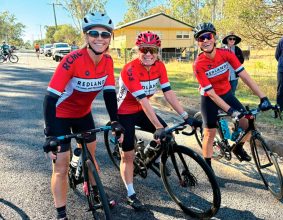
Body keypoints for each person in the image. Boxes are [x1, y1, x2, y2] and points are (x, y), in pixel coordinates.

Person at [42, 12, 124, 220]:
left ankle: (95, 194)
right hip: (60, 116)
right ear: (86, 36)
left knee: (91, 156)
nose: (99, 38)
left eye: (105, 35)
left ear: (110, 38)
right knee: (60, 166)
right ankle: (61, 214)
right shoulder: (72, 60)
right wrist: (50, 134)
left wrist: (115, 120)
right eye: (94, 33)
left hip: (83, 114)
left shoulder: (107, 61)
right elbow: (50, 98)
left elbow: (108, 93)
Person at [117, 31, 201, 210]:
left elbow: (168, 93)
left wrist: (186, 116)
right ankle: (131, 193)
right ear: (137, 50)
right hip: (124, 112)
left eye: (152, 50)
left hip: (142, 110)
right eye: (144, 49)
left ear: (158, 51)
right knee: (128, 155)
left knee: (167, 134)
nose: (148, 54)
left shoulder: (160, 66)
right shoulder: (129, 69)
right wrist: (157, 126)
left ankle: (150, 155)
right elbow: (143, 100)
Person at [193, 22, 272, 168]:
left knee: (247, 123)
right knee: (209, 133)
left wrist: (263, 97)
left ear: (214, 38)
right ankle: (208, 168)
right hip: (209, 99)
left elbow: (245, 76)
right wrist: (231, 111)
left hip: (226, 93)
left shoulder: (226, 54)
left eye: (208, 36)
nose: (205, 40)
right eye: (200, 38)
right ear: (198, 43)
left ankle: (238, 147)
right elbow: (210, 94)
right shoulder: (199, 64)